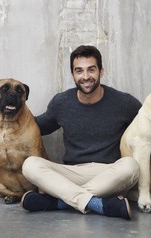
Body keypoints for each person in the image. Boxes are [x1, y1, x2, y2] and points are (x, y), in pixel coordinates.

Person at [21, 45, 142, 220]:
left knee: (131, 166)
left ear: (101, 71)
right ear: (73, 75)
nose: (85, 77)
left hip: (109, 174)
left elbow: (150, 124)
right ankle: (98, 204)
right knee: (30, 164)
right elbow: (35, 127)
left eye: (91, 70)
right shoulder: (61, 102)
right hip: (72, 174)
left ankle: (60, 202)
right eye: (79, 71)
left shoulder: (124, 102)